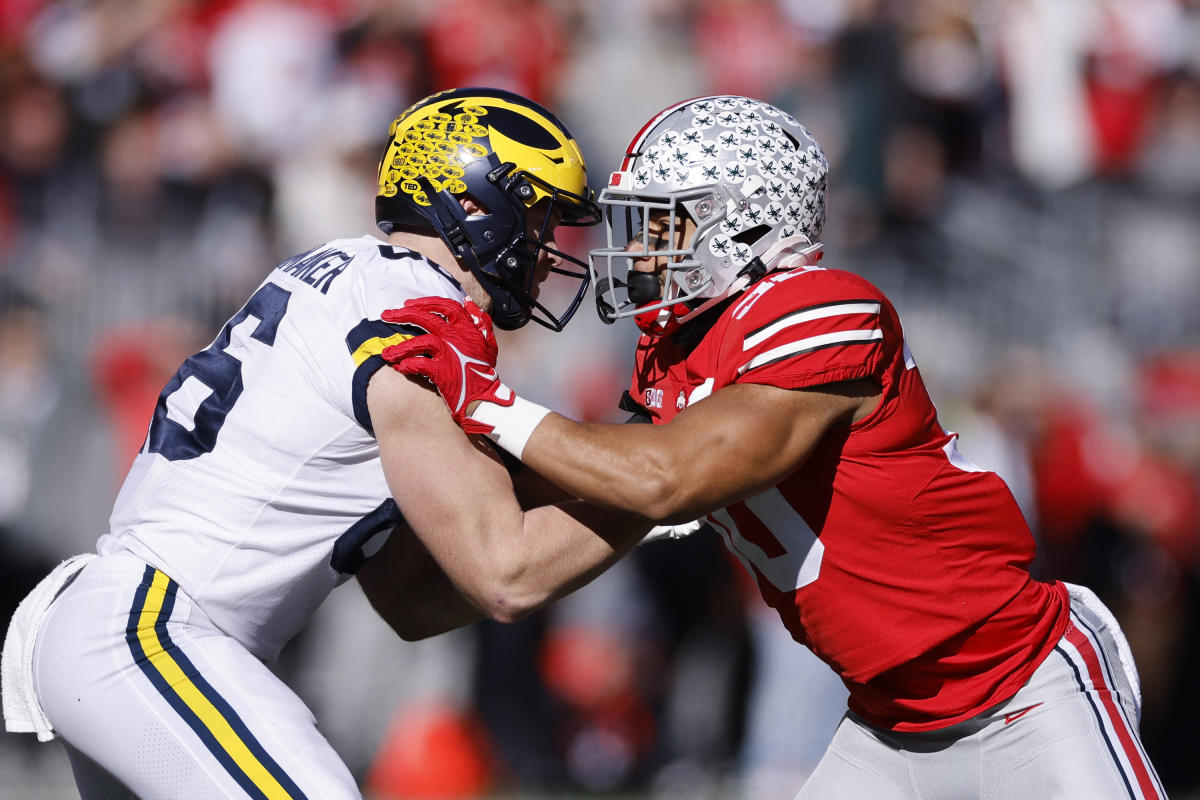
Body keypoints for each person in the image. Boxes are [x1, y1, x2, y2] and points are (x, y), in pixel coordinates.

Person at [382, 95, 1168, 799]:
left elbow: (666, 480)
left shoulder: (823, 311)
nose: (638, 252)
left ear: (744, 224)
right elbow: (570, 518)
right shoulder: (677, 354)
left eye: (663, 225)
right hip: (888, 724)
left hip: (1024, 691)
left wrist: (485, 399)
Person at [0, 87, 656, 800]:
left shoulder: (345, 272)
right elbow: (508, 573)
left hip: (136, 627)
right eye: (535, 213)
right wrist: (660, 489)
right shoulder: (420, 310)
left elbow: (409, 600)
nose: (545, 242)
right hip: (160, 631)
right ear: (472, 202)